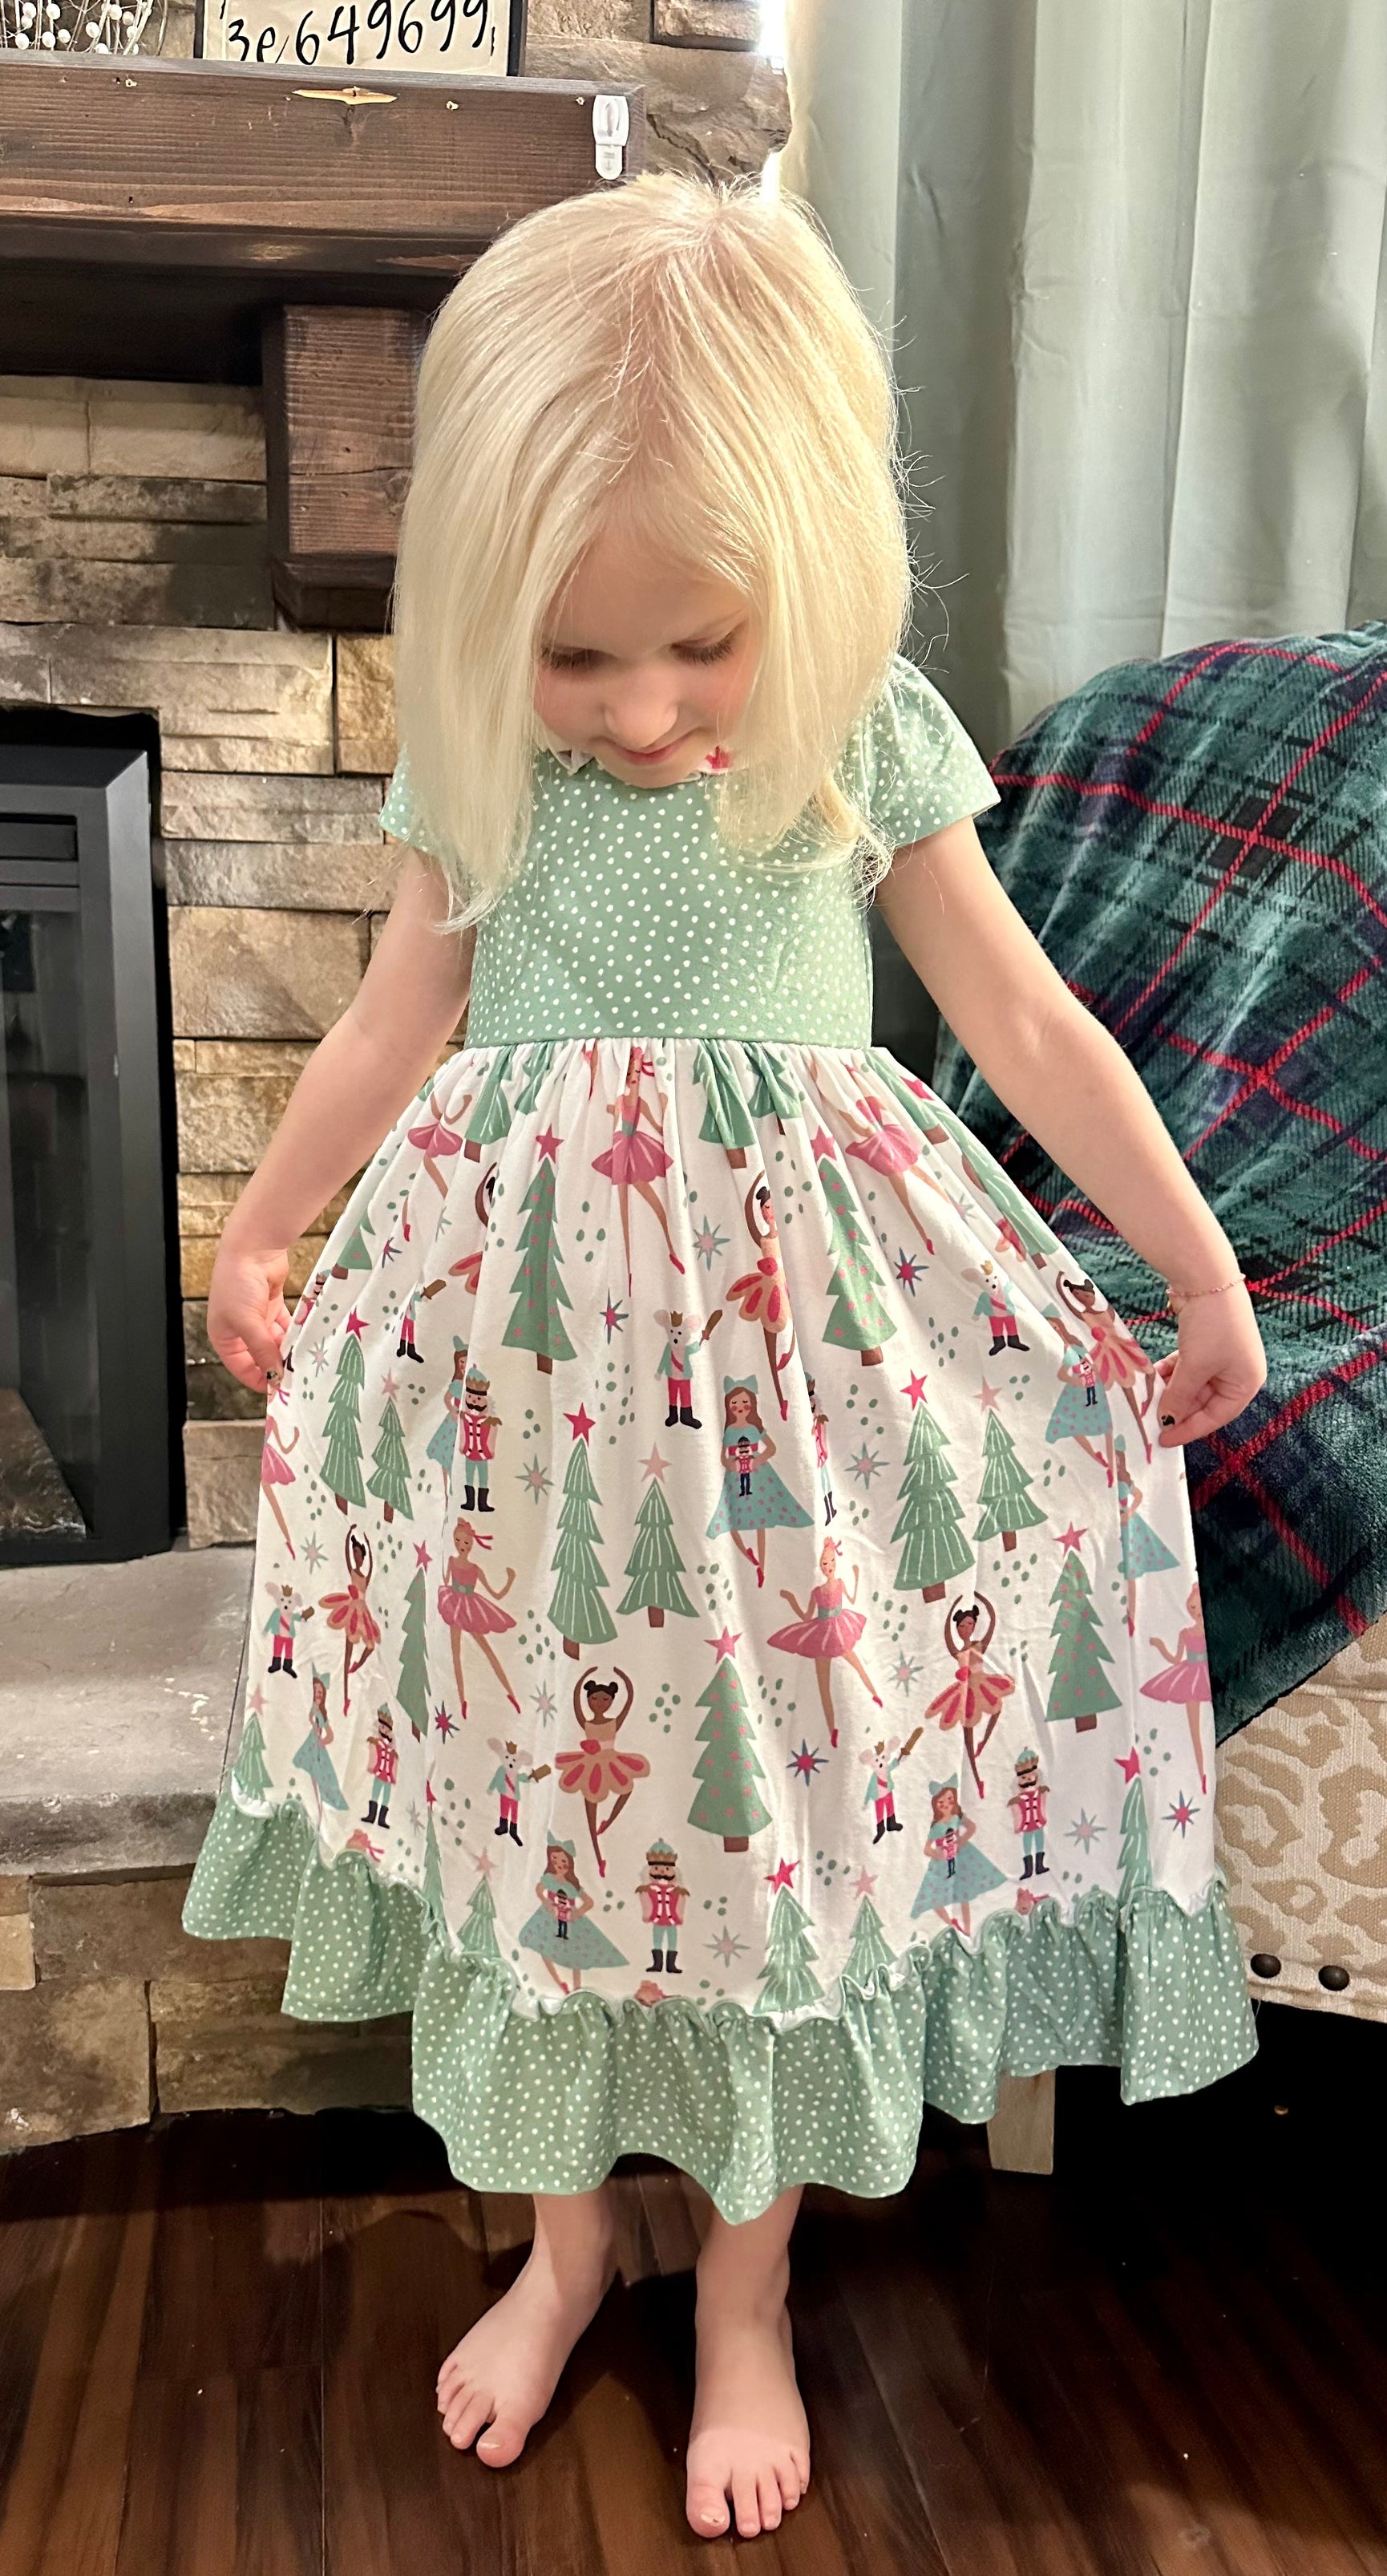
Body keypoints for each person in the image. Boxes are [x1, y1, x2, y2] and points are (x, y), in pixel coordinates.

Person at [185, 174, 1267, 2544]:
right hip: (517, 1390)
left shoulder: (857, 736)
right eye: (579, 657)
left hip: (799, 1397)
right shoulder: (483, 756)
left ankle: (752, 2288)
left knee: (778, 1810)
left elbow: (1020, 1018)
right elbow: (391, 1018)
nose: (647, 710)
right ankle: (571, 2245)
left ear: (817, 576)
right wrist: (262, 1224)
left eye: (704, 644)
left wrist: (1188, 1266)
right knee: (536, 1797)